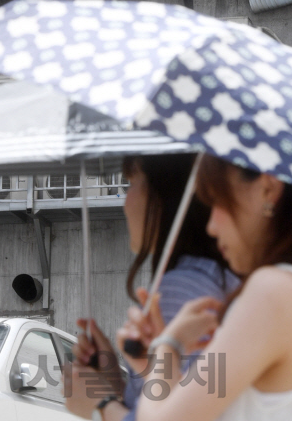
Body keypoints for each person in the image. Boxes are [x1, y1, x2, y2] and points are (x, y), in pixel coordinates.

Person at [120, 157, 292, 421]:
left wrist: (168, 346)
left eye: (217, 202)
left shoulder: (274, 292)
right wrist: (157, 361)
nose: (211, 227)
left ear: (267, 189)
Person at [65, 154, 239, 421]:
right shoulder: (209, 276)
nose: (126, 202)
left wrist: (100, 405)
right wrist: (115, 382)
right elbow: (173, 402)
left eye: (131, 183)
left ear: (164, 196)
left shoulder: (180, 290)